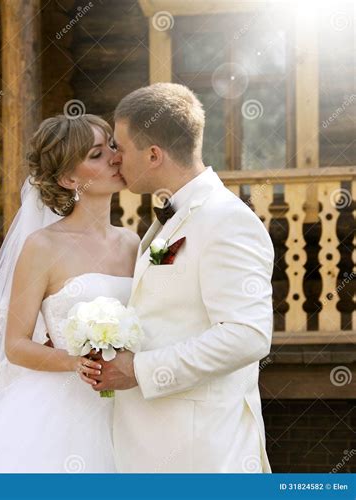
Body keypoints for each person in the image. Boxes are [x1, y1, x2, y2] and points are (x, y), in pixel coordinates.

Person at [81, 83, 275, 473]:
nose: (115, 159)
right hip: (150, 444)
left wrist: (139, 369)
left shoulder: (227, 220)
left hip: (200, 452)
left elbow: (247, 334)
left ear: (154, 155)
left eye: (119, 146)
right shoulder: (171, 217)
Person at [0, 114, 139, 473]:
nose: (114, 156)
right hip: (62, 413)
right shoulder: (42, 246)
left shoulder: (133, 243)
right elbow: (16, 344)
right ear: (68, 178)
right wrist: (77, 362)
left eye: (111, 145)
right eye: (96, 154)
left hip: (130, 405)